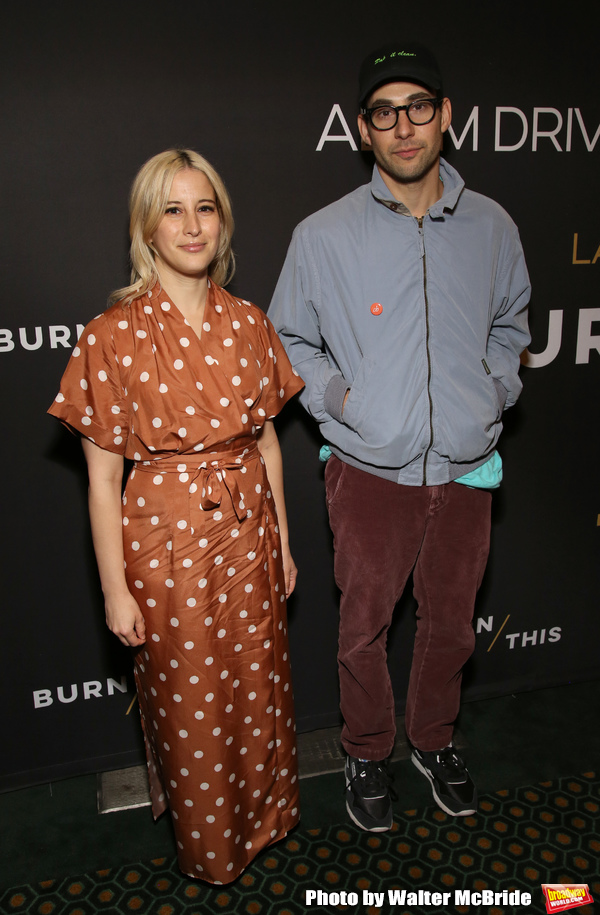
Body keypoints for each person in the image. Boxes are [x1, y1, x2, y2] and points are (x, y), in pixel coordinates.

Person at [269, 43, 530, 832]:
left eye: (420, 107)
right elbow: (289, 341)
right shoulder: (323, 234)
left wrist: (491, 392)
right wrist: (347, 400)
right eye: (385, 113)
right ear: (363, 130)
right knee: (364, 628)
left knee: (450, 625)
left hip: (465, 464)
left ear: (445, 116)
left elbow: (510, 324)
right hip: (367, 468)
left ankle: (434, 740)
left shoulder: (492, 225)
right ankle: (365, 749)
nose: (404, 127)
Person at [48, 148, 304, 882]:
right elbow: (101, 481)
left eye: (206, 207)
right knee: (190, 699)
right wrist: (114, 587)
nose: (193, 226)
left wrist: (282, 539)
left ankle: (267, 818)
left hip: (249, 527)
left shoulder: (250, 322)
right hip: (165, 543)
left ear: (223, 222)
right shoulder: (112, 335)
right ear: (146, 228)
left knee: (259, 682)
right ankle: (212, 847)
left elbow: (266, 443)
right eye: (174, 209)